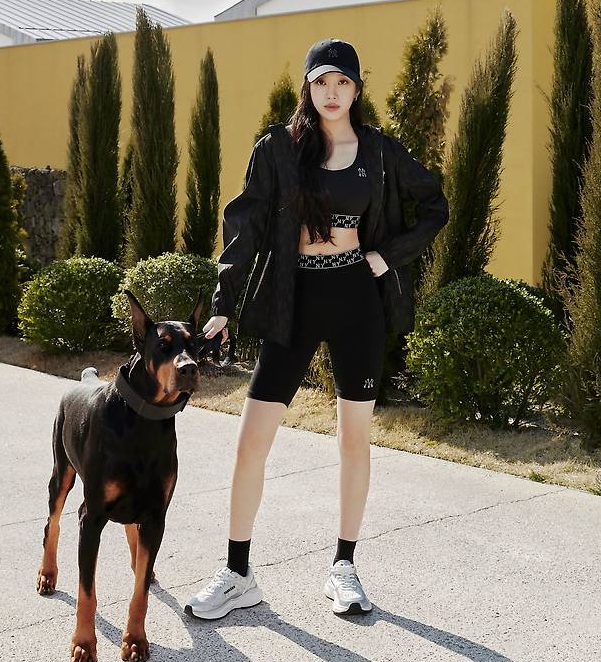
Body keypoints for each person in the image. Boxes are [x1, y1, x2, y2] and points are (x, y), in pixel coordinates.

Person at [185, 38, 449, 620]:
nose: (332, 93)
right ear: (307, 88)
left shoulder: (378, 150)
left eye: (342, 82)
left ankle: (344, 566)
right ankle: (238, 574)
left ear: (356, 89)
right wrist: (224, 304)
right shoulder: (279, 148)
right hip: (294, 300)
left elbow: (436, 206)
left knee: (353, 439)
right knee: (251, 441)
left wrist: (387, 256)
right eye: (321, 82)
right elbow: (244, 226)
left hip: (357, 300)